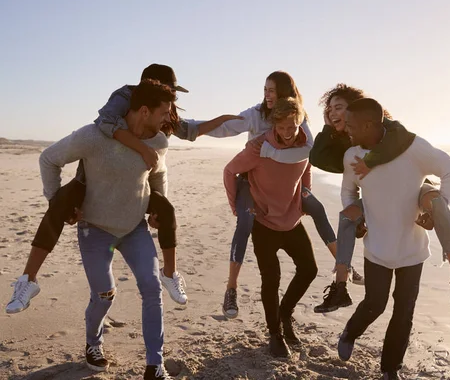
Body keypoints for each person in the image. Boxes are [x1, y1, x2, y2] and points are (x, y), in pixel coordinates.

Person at [5, 64, 240, 314]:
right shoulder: (123, 98)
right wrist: (143, 149)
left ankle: (170, 274)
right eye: (170, 89)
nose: (173, 98)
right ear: (152, 88)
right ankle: (28, 280)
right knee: (59, 202)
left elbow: (190, 131)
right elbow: (105, 123)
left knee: (166, 207)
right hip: (91, 182)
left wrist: (223, 119)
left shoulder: (162, 114)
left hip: (138, 186)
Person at [38, 79, 176, 379]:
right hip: (96, 228)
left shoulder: (159, 142)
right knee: (104, 294)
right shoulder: (93, 137)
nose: (168, 117)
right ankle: (93, 344)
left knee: (152, 289)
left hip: (134, 227)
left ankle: (156, 365)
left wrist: (156, 207)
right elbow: (49, 158)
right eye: (164, 111)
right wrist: (58, 204)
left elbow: (159, 174)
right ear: (143, 110)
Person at [198, 71, 362, 320]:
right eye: (265, 90)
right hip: (251, 184)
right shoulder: (257, 122)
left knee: (316, 209)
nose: (266, 95)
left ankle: (344, 265)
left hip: (288, 194)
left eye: (271, 90)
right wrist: (193, 129)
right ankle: (231, 288)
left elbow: (306, 157)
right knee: (244, 222)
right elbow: (228, 139)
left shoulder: (301, 124)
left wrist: (305, 188)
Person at [310, 84, 450, 314]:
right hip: (376, 198)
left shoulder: (388, 130)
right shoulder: (348, 143)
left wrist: (371, 161)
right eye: (330, 110)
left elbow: (398, 141)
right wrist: (328, 127)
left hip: (412, 190)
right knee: (347, 217)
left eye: (339, 108)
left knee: (436, 202)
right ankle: (340, 287)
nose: (335, 114)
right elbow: (318, 158)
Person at [335, 98, 450, 379]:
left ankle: (390, 369)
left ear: (369, 125)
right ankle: (350, 333)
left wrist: (441, 207)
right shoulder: (352, 156)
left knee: (404, 311)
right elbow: (348, 191)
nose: (348, 131)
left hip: (412, 250)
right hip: (377, 248)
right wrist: (357, 217)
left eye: (352, 126)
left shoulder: (413, 148)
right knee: (374, 304)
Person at [223, 97, 317, 357]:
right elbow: (230, 171)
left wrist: (304, 196)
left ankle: (284, 315)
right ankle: (275, 334)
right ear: (274, 124)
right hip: (264, 223)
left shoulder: (305, 145)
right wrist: (237, 209)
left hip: (291, 219)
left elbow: (306, 167)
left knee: (309, 269)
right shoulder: (258, 147)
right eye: (283, 127)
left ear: (300, 123)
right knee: (271, 279)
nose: (288, 132)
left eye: (293, 126)